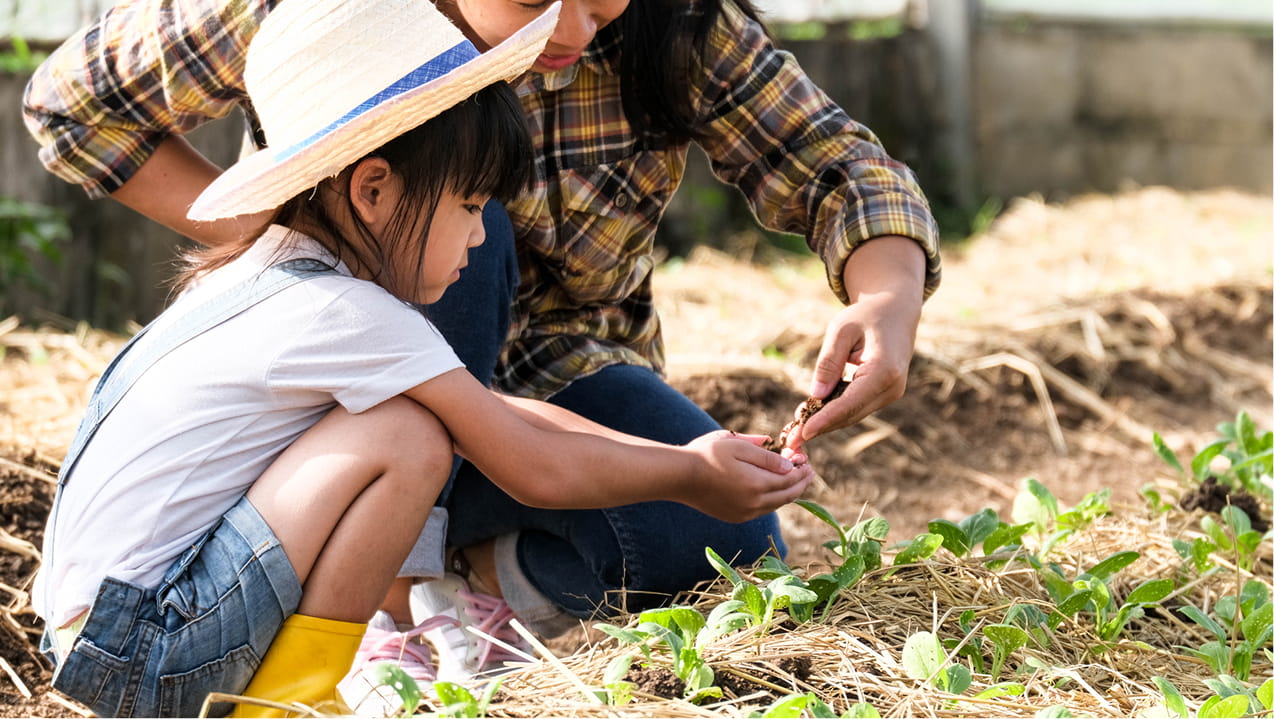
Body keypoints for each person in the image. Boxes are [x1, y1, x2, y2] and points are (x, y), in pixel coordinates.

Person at [24, 0, 940, 691]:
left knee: (715, 543)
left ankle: (456, 586)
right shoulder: (351, 303)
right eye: (466, 201)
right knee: (414, 420)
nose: (572, 26)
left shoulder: (285, 290)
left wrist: (885, 295)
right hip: (169, 622)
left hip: (111, 616)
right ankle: (359, 641)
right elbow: (525, 454)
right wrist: (686, 469)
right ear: (369, 186)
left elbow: (500, 414)